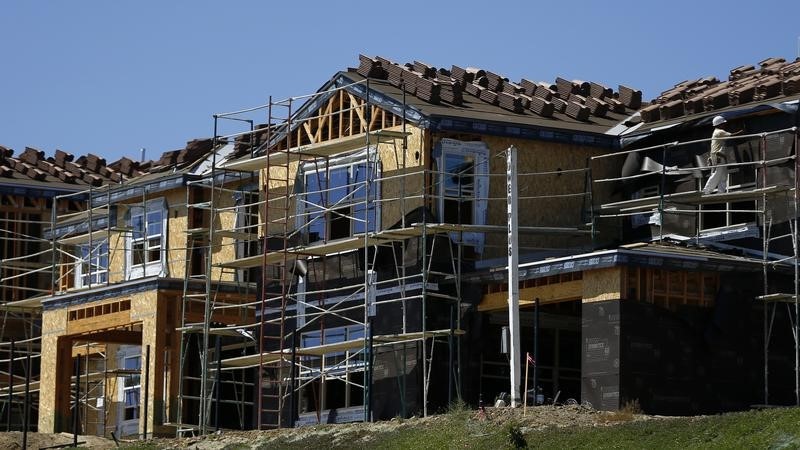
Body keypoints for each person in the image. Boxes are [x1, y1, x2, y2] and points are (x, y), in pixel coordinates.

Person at [702, 115, 741, 194]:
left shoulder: (716, 132)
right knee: (717, 174)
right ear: (719, 124)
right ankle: (706, 191)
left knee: (723, 175)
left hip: (719, 155)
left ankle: (721, 191)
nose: (724, 125)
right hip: (718, 156)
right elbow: (732, 135)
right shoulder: (719, 131)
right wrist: (742, 131)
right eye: (723, 124)